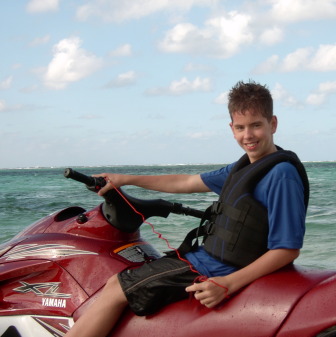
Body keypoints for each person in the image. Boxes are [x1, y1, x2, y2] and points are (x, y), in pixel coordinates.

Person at [64, 80, 309, 337]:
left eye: (256, 125)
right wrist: (125, 179)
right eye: (240, 127)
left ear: (273, 124)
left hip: (217, 271)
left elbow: (287, 249)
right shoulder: (244, 167)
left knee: (116, 287)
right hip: (206, 260)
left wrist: (228, 284)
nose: (248, 135)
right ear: (231, 129)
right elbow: (186, 182)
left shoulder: (281, 175)